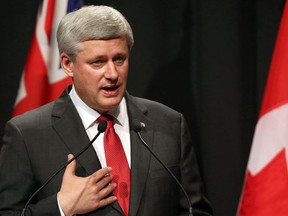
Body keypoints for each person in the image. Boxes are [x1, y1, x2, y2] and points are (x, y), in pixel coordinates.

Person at [0, 5, 213, 216]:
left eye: (119, 59)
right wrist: (62, 207)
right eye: (98, 62)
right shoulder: (28, 134)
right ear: (67, 64)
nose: (112, 73)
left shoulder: (169, 124)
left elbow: (195, 210)